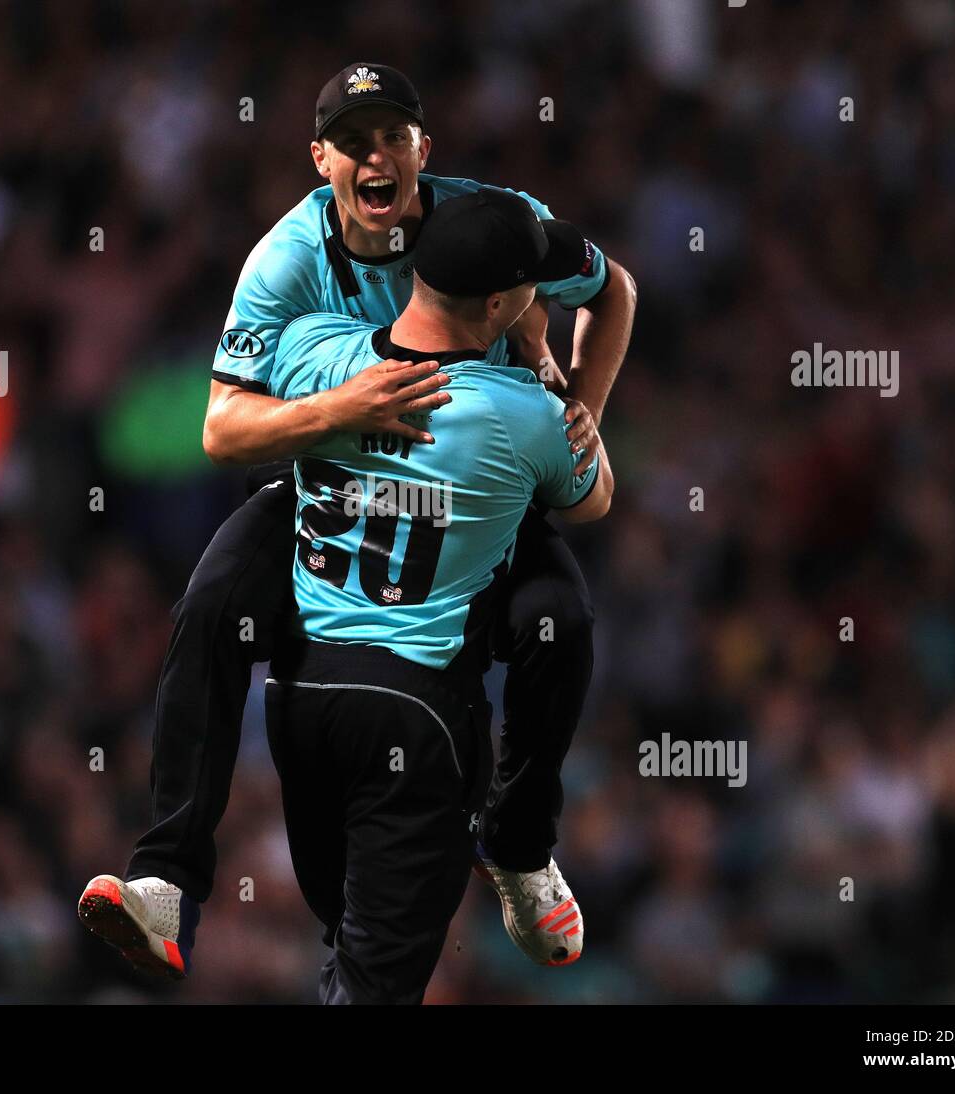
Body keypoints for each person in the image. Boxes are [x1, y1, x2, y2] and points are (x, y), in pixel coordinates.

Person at [79, 63, 635, 980]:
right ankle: (166, 885)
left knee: (560, 621)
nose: (375, 157)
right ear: (320, 159)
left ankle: (521, 846)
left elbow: (615, 289)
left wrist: (586, 411)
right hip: (334, 472)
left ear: (424, 148)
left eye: (392, 136)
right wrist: (341, 413)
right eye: (353, 140)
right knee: (215, 602)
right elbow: (222, 427)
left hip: (477, 482)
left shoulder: (495, 220)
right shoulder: (292, 257)